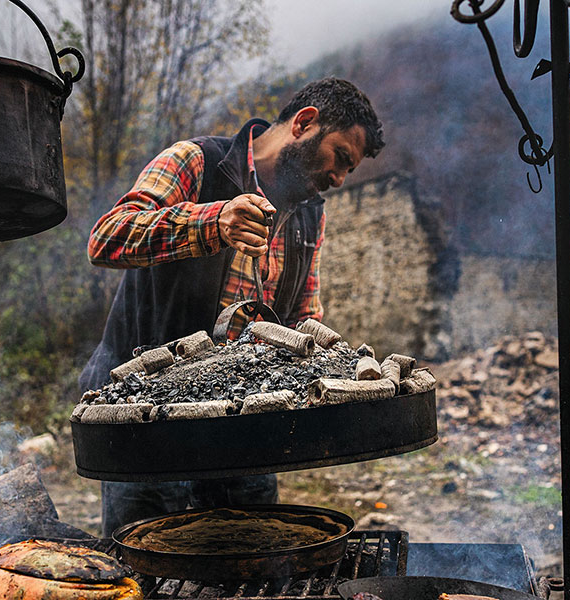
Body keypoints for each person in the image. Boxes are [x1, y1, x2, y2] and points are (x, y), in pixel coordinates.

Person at [80, 77, 385, 536]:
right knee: (148, 565)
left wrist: (341, 373)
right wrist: (213, 221)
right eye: (341, 158)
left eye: (349, 171)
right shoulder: (197, 161)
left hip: (246, 428)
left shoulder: (309, 214)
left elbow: (304, 318)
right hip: (149, 422)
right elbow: (108, 238)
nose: (339, 179)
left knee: (253, 563)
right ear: (304, 123)